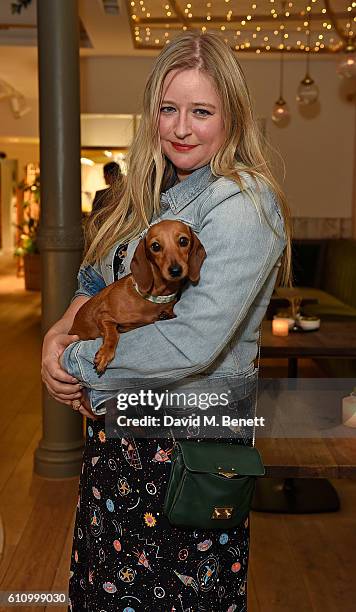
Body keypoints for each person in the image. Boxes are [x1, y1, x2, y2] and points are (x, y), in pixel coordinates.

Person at [41, 31, 291, 612]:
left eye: (201, 112)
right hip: (119, 447)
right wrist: (56, 334)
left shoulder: (243, 204)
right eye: (169, 108)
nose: (181, 127)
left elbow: (193, 343)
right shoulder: (144, 194)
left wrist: (73, 361)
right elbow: (93, 286)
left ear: (232, 116)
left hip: (189, 453)